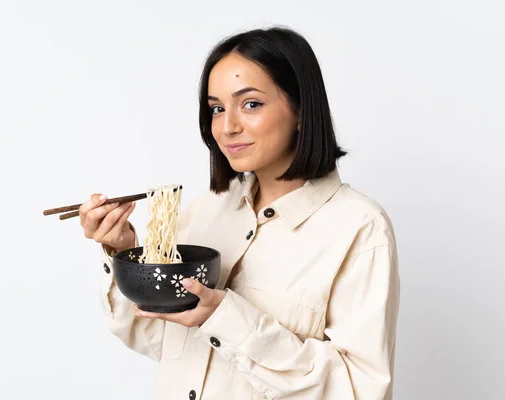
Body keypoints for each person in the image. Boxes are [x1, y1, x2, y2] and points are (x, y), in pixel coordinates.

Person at [79, 26, 400, 400]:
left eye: (251, 104)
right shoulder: (207, 212)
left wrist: (226, 318)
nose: (227, 127)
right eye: (217, 108)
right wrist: (126, 251)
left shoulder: (358, 227)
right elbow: (156, 340)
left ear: (300, 110)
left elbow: (358, 390)